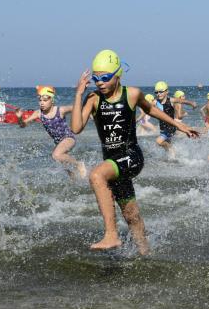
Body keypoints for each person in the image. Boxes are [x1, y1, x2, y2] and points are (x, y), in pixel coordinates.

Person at [71, 49, 199, 254]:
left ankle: (111, 235)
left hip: (131, 157)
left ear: (118, 76)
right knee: (131, 214)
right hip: (113, 163)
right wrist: (79, 94)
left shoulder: (131, 94)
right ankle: (145, 252)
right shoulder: (94, 99)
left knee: (96, 175)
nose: (99, 82)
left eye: (105, 78)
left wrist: (180, 126)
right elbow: (76, 127)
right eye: (96, 78)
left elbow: (152, 110)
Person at [15, 86, 86, 178]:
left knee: (56, 155)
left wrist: (89, 113)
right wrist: (19, 117)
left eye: (45, 100)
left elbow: (76, 107)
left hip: (68, 138)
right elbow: (23, 125)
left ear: (52, 100)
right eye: (40, 100)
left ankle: (78, 164)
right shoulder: (38, 113)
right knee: (68, 170)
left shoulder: (60, 110)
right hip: (58, 143)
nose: (42, 103)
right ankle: (77, 183)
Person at [154, 81, 197, 158]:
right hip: (163, 128)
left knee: (158, 142)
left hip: (170, 127)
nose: (158, 94)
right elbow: (146, 107)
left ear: (166, 91)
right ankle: (173, 158)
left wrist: (192, 103)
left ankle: (171, 149)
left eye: (161, 92)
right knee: (167, 144)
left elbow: (182, 101)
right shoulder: (155, 102)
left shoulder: (171, 100)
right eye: (156, 92)